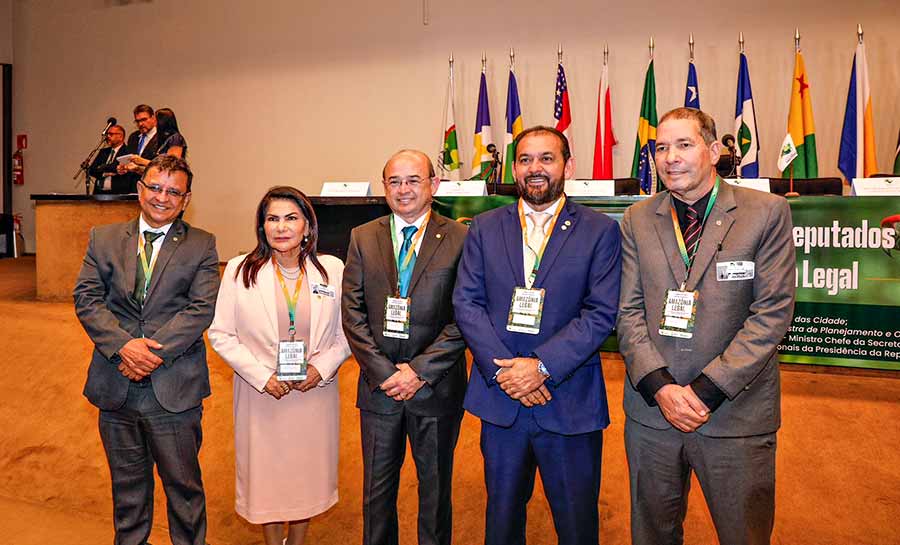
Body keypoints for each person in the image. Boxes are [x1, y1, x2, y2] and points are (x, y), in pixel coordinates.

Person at [616, 107, 795, 545]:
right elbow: (628, 313)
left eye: (684, 144)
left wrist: (705, 390)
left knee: (743, 535)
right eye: (661, 147)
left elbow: (772, 314)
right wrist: (660, 387)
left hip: (734, 414)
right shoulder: (637, 219)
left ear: (714, 151)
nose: (670, 157)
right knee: (652, 534)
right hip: (653, 414)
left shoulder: (765, 212)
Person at [452, 126, 622, 545]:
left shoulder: (599, 231)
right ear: (515, 168)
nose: (535, 168)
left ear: (568, 166)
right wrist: (507, 373)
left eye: (547, 158)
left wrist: (541, 368)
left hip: (568, 401)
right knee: (502, 522)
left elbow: (601, 313)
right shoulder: (485, 227)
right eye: (526, 159)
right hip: (502, 400)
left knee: (577, 524)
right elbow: (466, 304)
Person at [73, 154, 219, 545]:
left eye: (174, 191)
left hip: (173, 387)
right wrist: (123, 348)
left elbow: (200, 308)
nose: (162, 197)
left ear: (186, 199)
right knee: (128, 494)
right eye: (155, 187)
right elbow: (87, 298)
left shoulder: (202, 244)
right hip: (115, 386)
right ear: (140, 190)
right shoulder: (102, 239)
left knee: (184, 493)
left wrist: (149, 354)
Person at [209, 186, 350, 545]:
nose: (281, 227)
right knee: (267, 478)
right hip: (263, 394)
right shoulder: (240, 270)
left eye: (291, 218)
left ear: (307, 226)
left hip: (312, 393)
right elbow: (221, 334)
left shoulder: (332, 270)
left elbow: (349, 333)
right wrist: (262, 376)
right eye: (272, 218)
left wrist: (322, 368)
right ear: (262, 226)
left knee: (305, 475)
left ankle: (298, 541)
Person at [342, 150, 468, 545]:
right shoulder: (363, 237)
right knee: (376, 497)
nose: (404, 189)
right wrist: (385, 374)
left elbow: (466, 316)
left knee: (434, 494)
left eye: (414, 180)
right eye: (394, 181)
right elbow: (352, 312)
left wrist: (418, 372)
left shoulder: (462, 238)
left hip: (436, 388)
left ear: (434, 185)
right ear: (384, 188)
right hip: (378, 391)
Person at [127, 108, 187, 174]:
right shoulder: (163, 138)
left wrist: (143, 161)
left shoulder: (175, 138)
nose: (154, 121)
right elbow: (158, 169)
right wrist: (137, 169)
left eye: (156, 119)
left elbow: (171, 165)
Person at [88, 124, 134, 193]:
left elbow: (119, 168)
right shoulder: (103, 152)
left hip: (117, 194)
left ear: (121, 137)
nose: (108, 137)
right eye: (107, 134)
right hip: (99, 193)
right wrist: (105, 173)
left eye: (111, 134)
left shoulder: (128, 152)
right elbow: (92, 170)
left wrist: (102, 167)